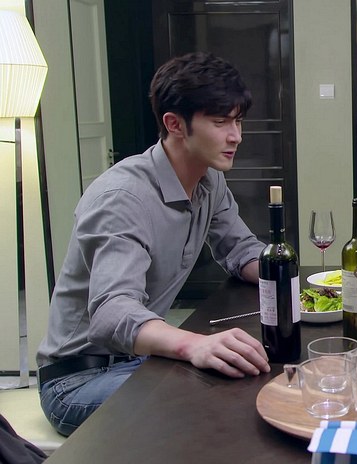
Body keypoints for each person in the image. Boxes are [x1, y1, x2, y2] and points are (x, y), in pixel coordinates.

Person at [36, 52, 271, 436]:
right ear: (174, 124)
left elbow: (240, 249)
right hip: (79, 380)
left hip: (137, 360)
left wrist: (299, 281)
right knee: (223, 399)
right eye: (220, 122)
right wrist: (193, 345)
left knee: (256, 371)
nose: (236, 136)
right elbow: (112, 313)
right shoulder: (122, 198)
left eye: (238, 120)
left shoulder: (209, 180)